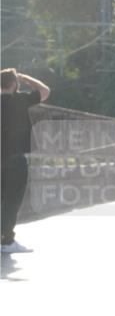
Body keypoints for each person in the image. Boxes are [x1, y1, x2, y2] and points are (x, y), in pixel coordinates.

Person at [1, 69, 51, 253]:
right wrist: (25, 78)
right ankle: (6, 241)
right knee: (11, 201)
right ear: (14, 84)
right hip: (15, 160)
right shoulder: (20, 100)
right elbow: (45, 91)